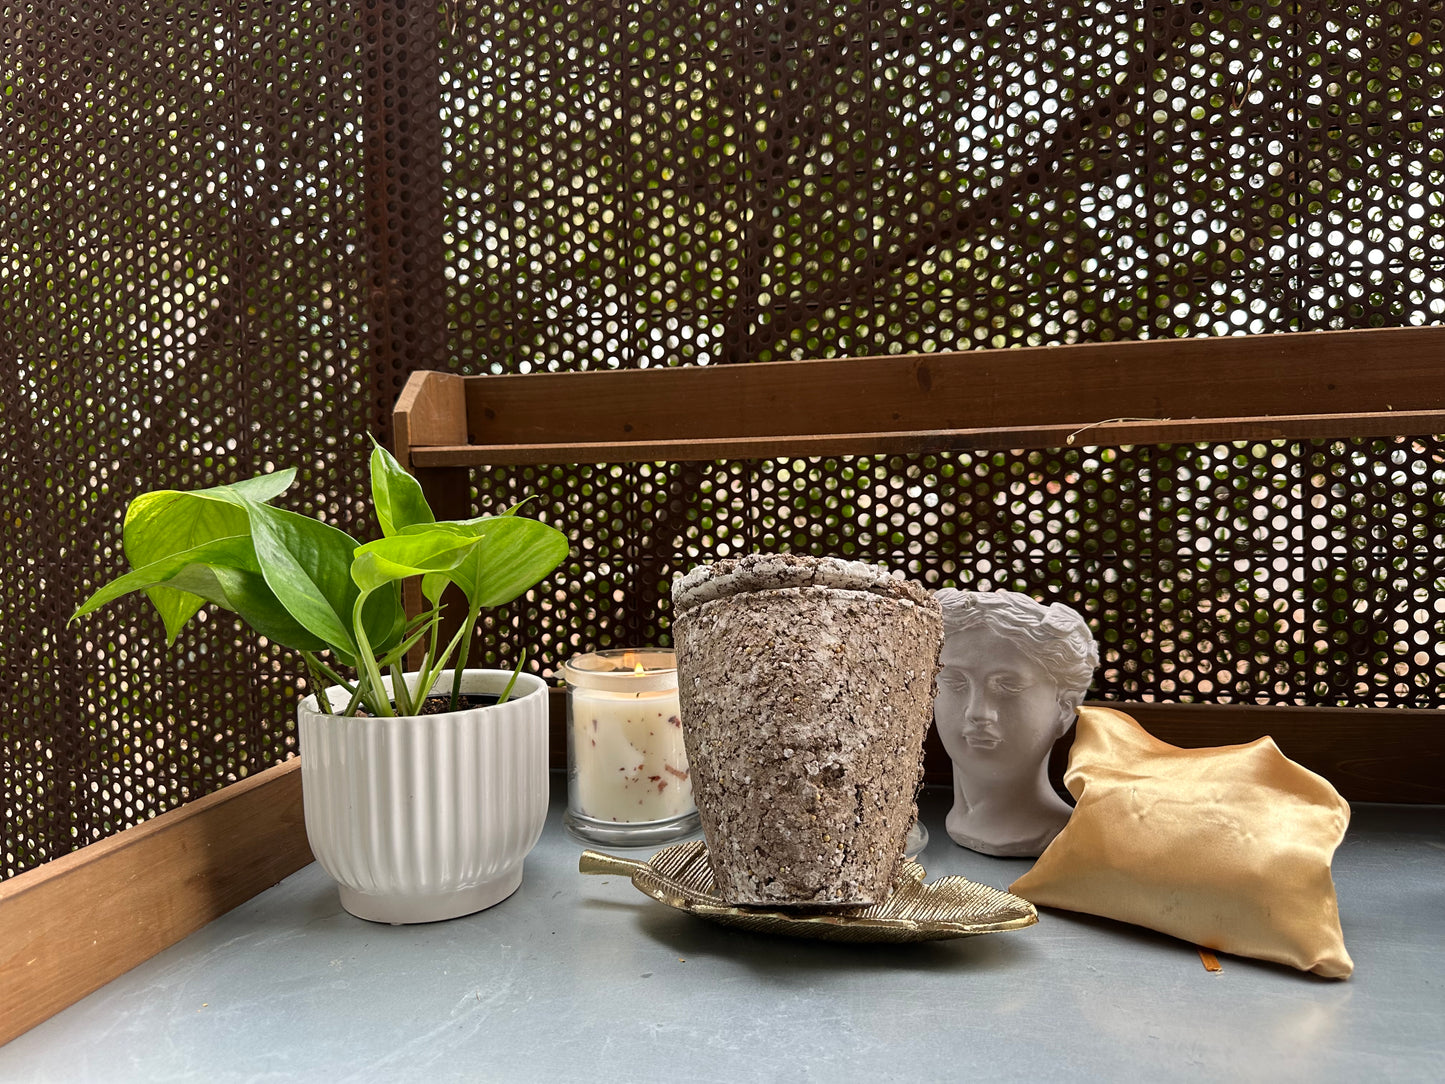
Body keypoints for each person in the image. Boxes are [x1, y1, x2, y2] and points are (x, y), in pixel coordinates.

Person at [933, 588, 1099, 857]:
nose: (978, 712)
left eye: (1008, 686)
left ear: (1065, 708)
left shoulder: (1074, 838)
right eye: (955, 682)